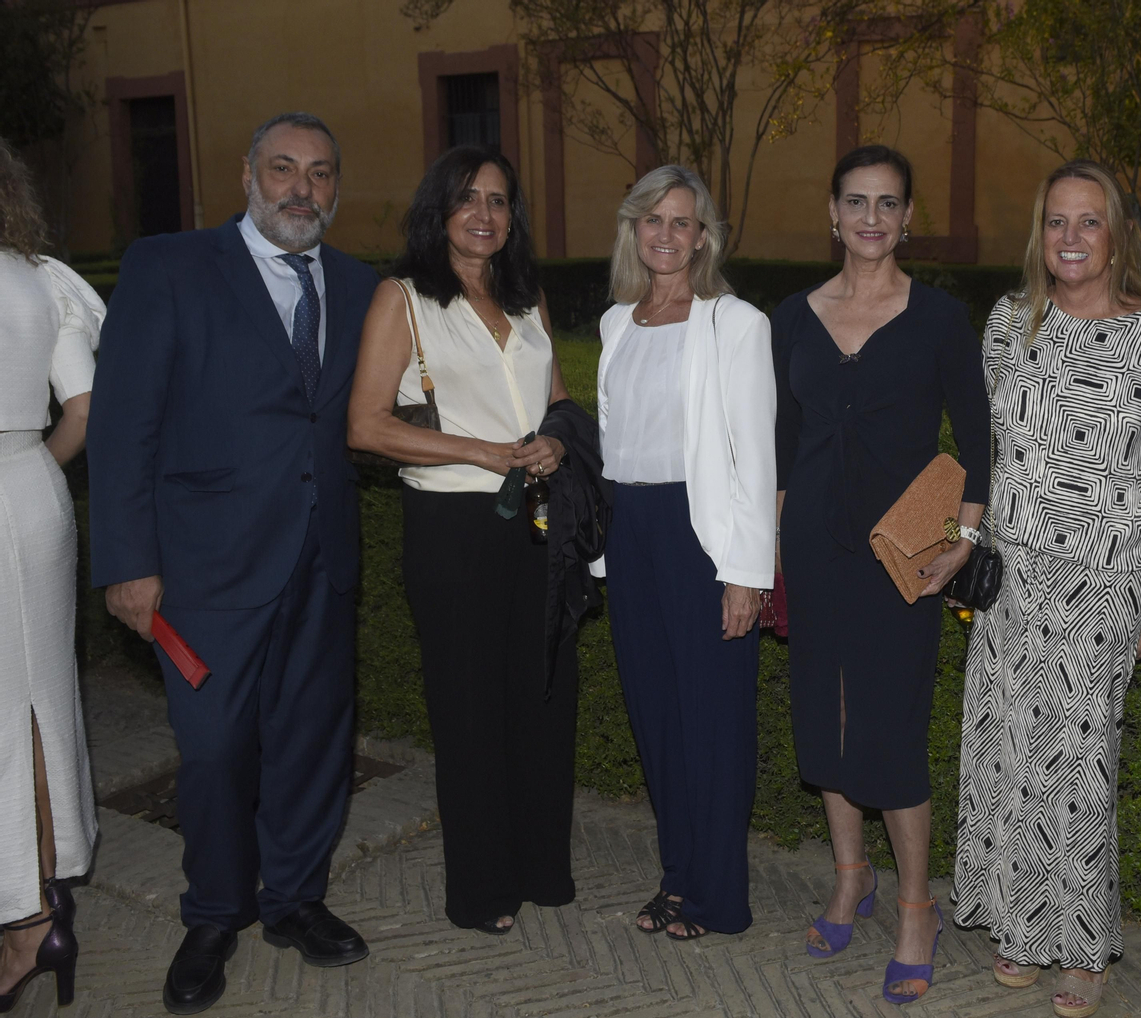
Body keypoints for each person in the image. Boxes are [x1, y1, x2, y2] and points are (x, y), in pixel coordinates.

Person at [89, 112, 380, 1015]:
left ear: (336, 187)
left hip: (322, 557)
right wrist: (127, 563)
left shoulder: (362, 285)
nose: (302, 188)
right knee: (213, 751)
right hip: (204, 569)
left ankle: (294, 899)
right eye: (284, 168)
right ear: (247, 175)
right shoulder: (168, 267)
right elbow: (121, 424)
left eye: (321, 173)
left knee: (310, 746)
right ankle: (214, 913)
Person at [953, 161, 1141, 1017]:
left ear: (1117, 234)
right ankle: (1022, 926)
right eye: (1056, 221)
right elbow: (991, 446)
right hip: (1011, 576)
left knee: (1080, 756)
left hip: (1104, 579)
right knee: (1008, 752)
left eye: (1088, 222)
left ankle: (1084, 945)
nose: (1069, 238)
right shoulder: (1009, 323)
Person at [347, 145, 591, 935]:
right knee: (471, 710)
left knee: (544, 698)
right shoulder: (405, 299)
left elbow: (557, 398)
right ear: (439, 211)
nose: (485, 214)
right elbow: (366, 424)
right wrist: (481, 450)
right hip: (454, 531)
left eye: (498, 200)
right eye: (468, 199)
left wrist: (555, 439)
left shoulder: (527, 297)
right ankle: (483, 889)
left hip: (537, 523)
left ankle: (541, 869)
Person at [773, 145, 990, 1005]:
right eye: (855, 202)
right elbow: (782, 442)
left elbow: (977, 442)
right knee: (823, 721)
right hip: (814, 548)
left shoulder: (937, 317)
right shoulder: (791, 316)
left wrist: (962, 540)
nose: (870, 218)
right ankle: (850, 876)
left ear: (907, 219)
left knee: (890, 732)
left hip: (903, 561)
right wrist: (775, 550)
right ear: (833, 215)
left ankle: (913, 906)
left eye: (887, 204)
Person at [593, 164, 775, 941]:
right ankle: (676, 877)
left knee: (713, 722)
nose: (666, 235)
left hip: (701, 540)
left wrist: (746, 573)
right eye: (652, 220)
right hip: (628, 536)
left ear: (704, 236)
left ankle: (716, 896)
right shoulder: (613, 324)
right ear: (634, 229)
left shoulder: (735, 323)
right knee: (657, 718)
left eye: (682, 222)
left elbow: (755, 456)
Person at [0, 137, 100, 1014]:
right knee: (34, 696)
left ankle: (28, 920)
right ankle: (36, 906)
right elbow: (84, 409)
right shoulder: (45, 279)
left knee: (13, 705)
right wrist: (31, 467)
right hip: (28, 490)